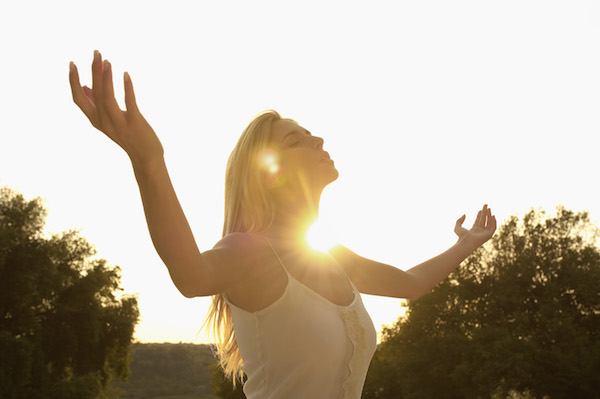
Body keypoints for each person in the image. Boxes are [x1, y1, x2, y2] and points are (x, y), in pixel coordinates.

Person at [69, 51, 497, 399]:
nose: (319, 140)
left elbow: (410, 283)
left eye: (310, 132)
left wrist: (468, 243)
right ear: (268, 175)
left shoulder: (336, 258)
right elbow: (189, 273)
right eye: (296, 139)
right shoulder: (250, 252)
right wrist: (148, 160)